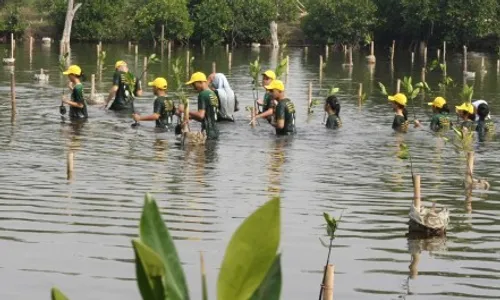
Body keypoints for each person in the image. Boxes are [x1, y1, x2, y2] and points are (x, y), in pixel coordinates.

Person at [180, 72, 219, 140]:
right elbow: (207, 117)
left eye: (194, 84)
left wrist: (185, 110)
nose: (193, 87)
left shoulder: (203, 94)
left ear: (200, 82)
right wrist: (191, 117)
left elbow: (201, 115)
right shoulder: (212, 93)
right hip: (215, 132)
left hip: (207, 133)